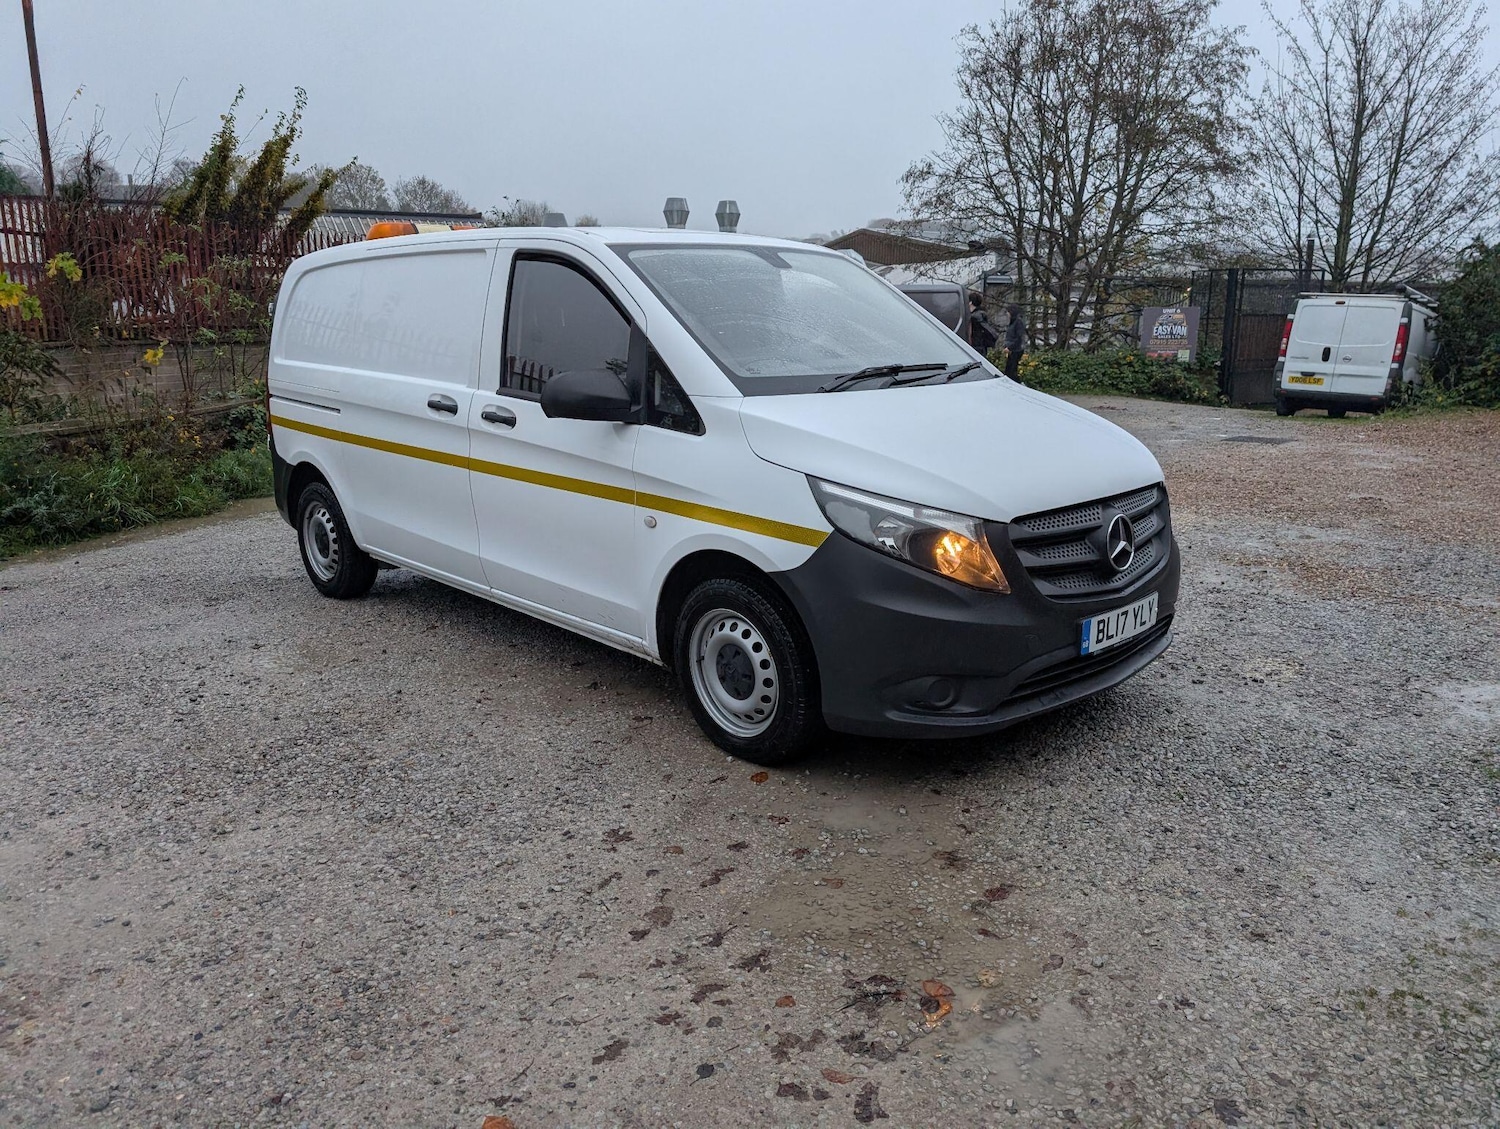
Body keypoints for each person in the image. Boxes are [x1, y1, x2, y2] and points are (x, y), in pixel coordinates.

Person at [1003, 303, 1027, 381]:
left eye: (1008, 312)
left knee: (1012, 371)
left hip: (1016, 350)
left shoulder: (1018, 323)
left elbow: (1019, 338)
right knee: (1009, 370)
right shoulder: (1013, 322)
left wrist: (1010, 347)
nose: (1007, 314)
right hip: (1012, 349)